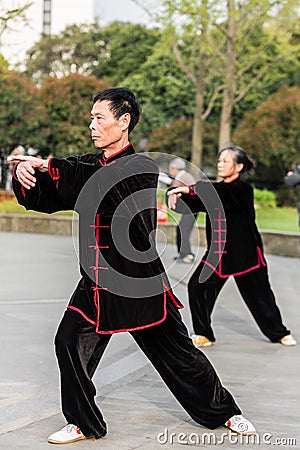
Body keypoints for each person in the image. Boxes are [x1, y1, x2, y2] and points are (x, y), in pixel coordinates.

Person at [10, 89, 256, 444]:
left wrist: (49, 165)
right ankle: (83, 423)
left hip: (139, 284)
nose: (92, 125)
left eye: (99, 118)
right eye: (92, 118)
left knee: (178, 354)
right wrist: (25, 176)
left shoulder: (139, 167)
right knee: (68, 342)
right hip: (96, 282)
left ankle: (226, 412)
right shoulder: (89, 166)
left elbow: (98, 180)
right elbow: (52, 194)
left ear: (123, 122)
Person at [167, 144, 296, 349]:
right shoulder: (213, 190)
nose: (220, 164)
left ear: (238, 167)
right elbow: (191, 204)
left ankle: (279, 333)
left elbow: (222, 194)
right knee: (198, 287)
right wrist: (175, 194)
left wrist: (193, 188)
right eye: (219, 160)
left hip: (247, 255)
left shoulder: (243, 190)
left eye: (225, 161)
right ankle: (203, 334)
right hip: (218, 254)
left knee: (261, 298)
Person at [161, 158, 198, 263]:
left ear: (173, 168)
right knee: (180, 228)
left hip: (192, 208)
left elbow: (174, 187)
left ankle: (188, 255)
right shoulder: (184, 175)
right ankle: (182, 254)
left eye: (170, 168)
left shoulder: (182, 177)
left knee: (183, 230)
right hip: (191, 208)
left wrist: (164, 179)